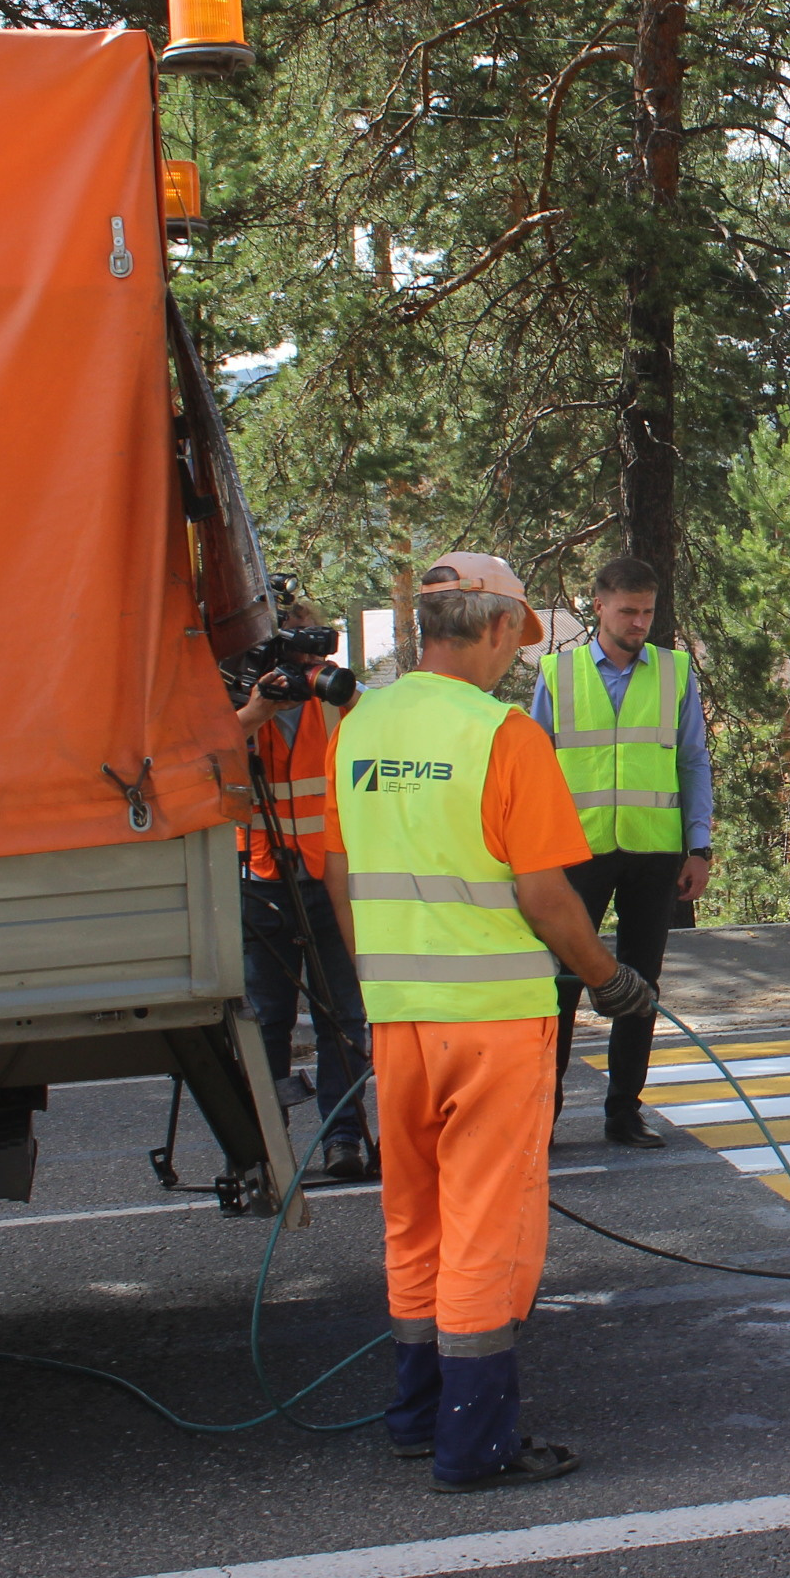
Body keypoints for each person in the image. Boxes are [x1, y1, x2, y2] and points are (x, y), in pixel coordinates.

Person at [321, 553, 657, 1493]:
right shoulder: (504, 736)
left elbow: (337, 873)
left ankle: (416, 1414)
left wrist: (375, 976)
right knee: (486, 1224)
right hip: (495, 1020)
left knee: (414, 1213)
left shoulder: (359, 726)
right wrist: (608, 978)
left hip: (399, 1018)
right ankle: (476, 1443)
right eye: (521, 636)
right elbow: (544, 893)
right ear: (501, 628)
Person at [529, 555, 715, 1147]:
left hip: (653, 851)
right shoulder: (557, 674)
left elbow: (692, 761)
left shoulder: (675, 672)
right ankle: (543, 1111)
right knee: (559, 983)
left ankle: (623, 1111)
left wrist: (699, 845)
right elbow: (532, 769)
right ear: (598, 607)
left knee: (642, 983)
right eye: (628, 611)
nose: (639, 622)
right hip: (573, 852)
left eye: (648, 612)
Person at [233, 603, 373, 1182]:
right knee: (266, 1021)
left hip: (329, 880)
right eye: (297, 658)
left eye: (317, 657)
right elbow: (196, 759)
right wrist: (256, 711)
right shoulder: (237, 700)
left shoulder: (341, 703)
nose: (307, 670)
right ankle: (262, 1146)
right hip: (262, 881)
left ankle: (343, 1138)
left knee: (343, 1016)